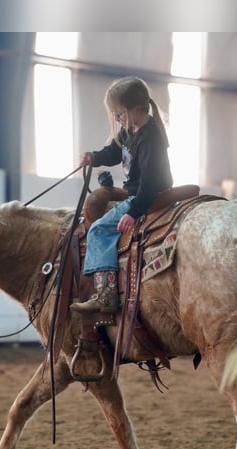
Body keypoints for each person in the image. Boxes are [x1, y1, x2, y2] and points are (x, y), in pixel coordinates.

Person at [71, 76, 173, 314]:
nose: (116, 119)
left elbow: (150, 183)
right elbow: (113, 153)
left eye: (119, 114)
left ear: (135, 110)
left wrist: (133, 212)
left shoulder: (150, 138)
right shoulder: (129, 132)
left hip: (148, 195)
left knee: (98, 229)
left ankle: (106, 295)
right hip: (137, 192)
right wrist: (93, 157)